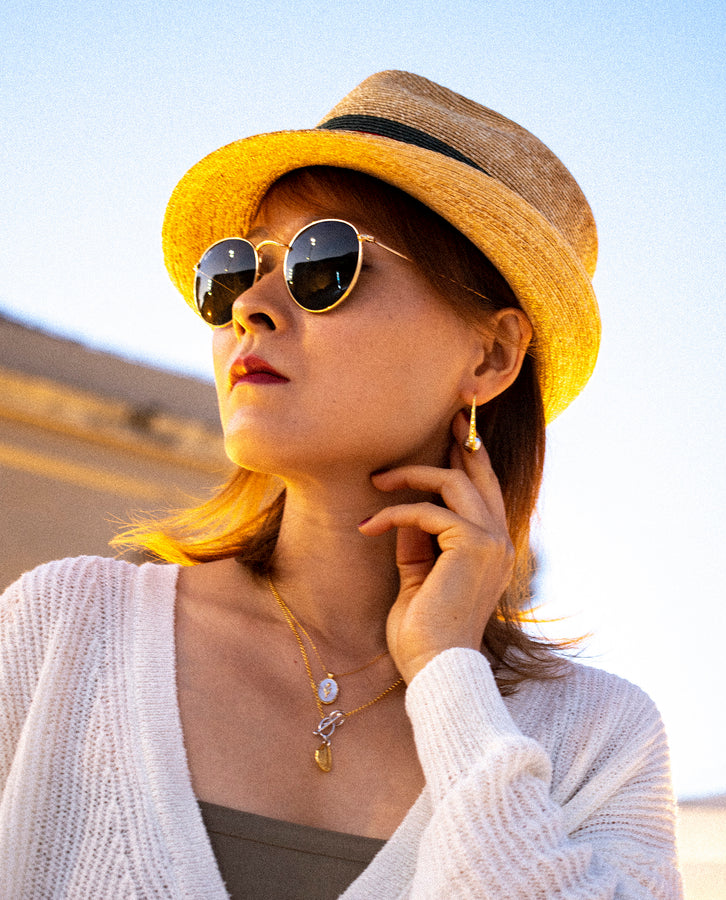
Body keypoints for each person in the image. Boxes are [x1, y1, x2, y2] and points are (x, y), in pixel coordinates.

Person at [0, 71, 683, 898]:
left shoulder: (598, 742)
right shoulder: (62, 632)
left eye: (324, 262)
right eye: (234, 270)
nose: (249, 305)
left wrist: (448, 678)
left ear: (491, 356)